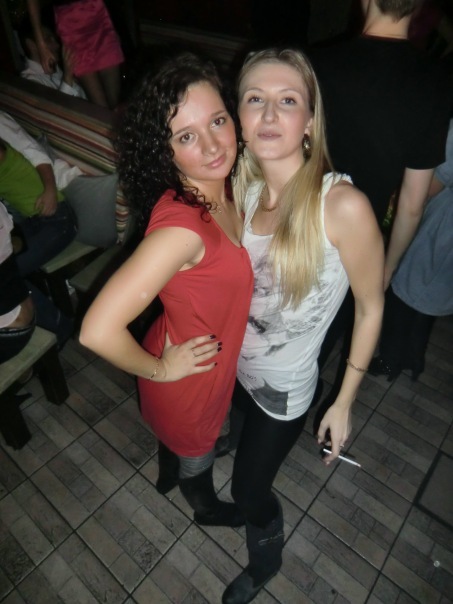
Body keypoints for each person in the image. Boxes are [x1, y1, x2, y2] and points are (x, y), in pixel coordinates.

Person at [220, 49, 384, 604]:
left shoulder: (341, 206)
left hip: (284, 391)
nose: (269, 114)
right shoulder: (241, 190)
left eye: (287, 101)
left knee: (249, 490)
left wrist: (344, 400)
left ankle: (265, 560)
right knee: (235, 431)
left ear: (309, 122)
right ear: (239, 117)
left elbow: (371, 306)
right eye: (255, 99)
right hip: (234, 369)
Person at [80, 53, 254, 527]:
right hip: (189, 378)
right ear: (165, 151)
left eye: (217, 120)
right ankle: (206, 509)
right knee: (198, 460)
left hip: (186, 350)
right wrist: (160, 370)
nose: (213, 145)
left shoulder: (218, 187)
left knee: (183, 445)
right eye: (186, 136)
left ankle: (167, 471)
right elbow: (96, 330)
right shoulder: (183, 230)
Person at [310, 0, 452, 390]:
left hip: (299, 223)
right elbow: (412, 202)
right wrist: (386, 267)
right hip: (359, 243)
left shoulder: (315, 62)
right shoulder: (434, 81)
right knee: (324, 339)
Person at [369, 118, 453, 381]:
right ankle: (415, 360)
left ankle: (390, 361)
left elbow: (429, 186)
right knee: (429, 305)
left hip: (440, 231)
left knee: (402, 296)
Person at [26, 0, 124, 108]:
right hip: (72, 25)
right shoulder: (32, 78)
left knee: (115, 104)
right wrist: (42, 46)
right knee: (101, 108)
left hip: (97, 13)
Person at [18, 16, 87, 99]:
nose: (57, 45)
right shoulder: (29, 82)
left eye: (54, 39)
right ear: (32, 45)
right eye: (48, 40)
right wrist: (67, 78)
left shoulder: (56, 68)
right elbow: (56, 107)